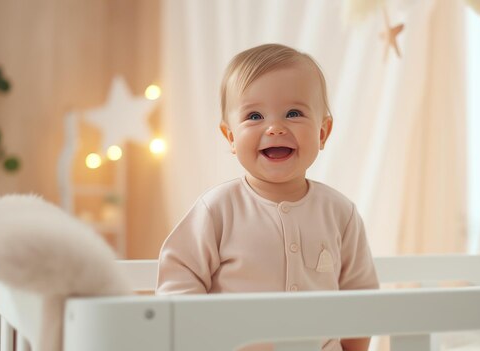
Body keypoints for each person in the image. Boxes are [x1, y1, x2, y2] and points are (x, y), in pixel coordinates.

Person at [157, 43, 379, 351]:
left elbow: (361, 297)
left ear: (323, 132)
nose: (275, 128)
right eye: (255, 116)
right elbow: (179, 280)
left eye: (293, 113)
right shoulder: (217, 210)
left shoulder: (340, 212)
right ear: (231, 137)